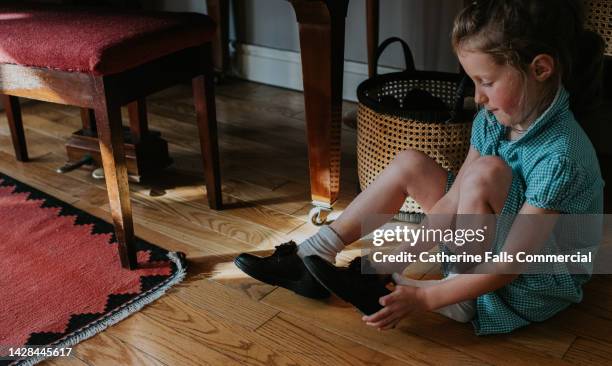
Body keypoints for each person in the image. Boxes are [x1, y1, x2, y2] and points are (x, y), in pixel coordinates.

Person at [234, 0, 606, 335]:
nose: (477, 96)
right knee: (412, 162)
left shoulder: (562, 155)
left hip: (531, 276)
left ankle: (458, 297)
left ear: (540, 69)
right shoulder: (494, 120)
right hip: (483, 241)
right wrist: (384, 266)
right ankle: (312, 256)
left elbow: (510, 266)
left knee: (486, 172)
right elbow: (452, 201)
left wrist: (428, 297)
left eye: (486, 81)